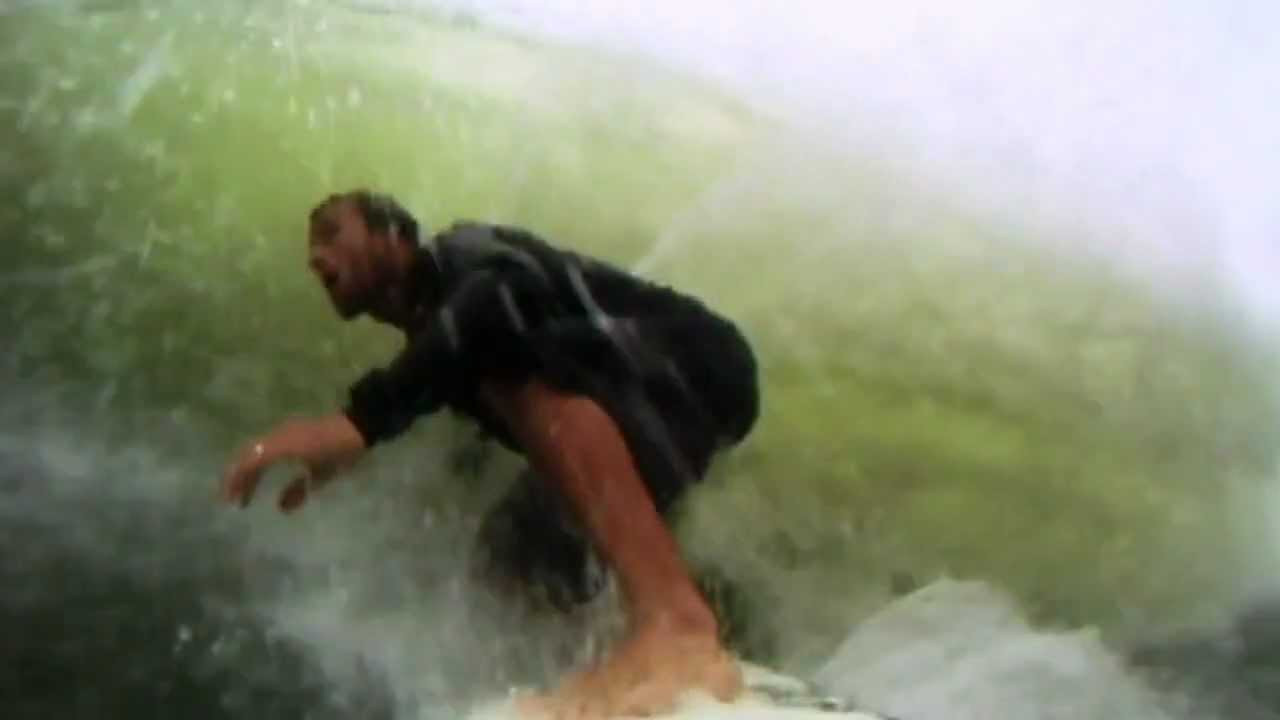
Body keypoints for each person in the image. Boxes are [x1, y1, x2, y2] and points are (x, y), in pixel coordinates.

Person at [220, 190, 760, 718]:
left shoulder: (464, 252)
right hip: (653, 414)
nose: (316, 257)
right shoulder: (439, 345)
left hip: (693, 361)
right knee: (512, 550)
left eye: (332, 233)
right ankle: (668, 648)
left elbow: (501, 300)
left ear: (393, 233)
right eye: (312, 247)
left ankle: (676, 625)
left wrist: (357, 422)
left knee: (504, 362)